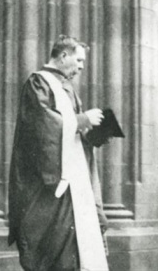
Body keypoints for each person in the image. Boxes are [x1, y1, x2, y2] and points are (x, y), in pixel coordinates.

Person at [8, 35, 109, 271]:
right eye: (79, 60)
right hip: (51, 184)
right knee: (55, 251)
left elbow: (70, 130)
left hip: (73, 181)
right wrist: (82, 119)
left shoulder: (66, 87)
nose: (82, 67)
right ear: (63, 56)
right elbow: (43, 126)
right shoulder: (39, 83)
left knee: (75, 249)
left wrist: (91, 132)